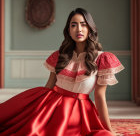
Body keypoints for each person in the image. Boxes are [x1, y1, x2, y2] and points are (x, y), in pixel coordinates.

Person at [0, 8, 124, 136]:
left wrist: (110, 130)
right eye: (73, 25)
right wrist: (32, 112)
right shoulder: (59, 56)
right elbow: (49, 87)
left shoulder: (102, 59)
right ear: (68, 31)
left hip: (81, 112)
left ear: (90, 29)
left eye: (83, 24)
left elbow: (99, 97)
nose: (79, 29)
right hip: (52, 108)